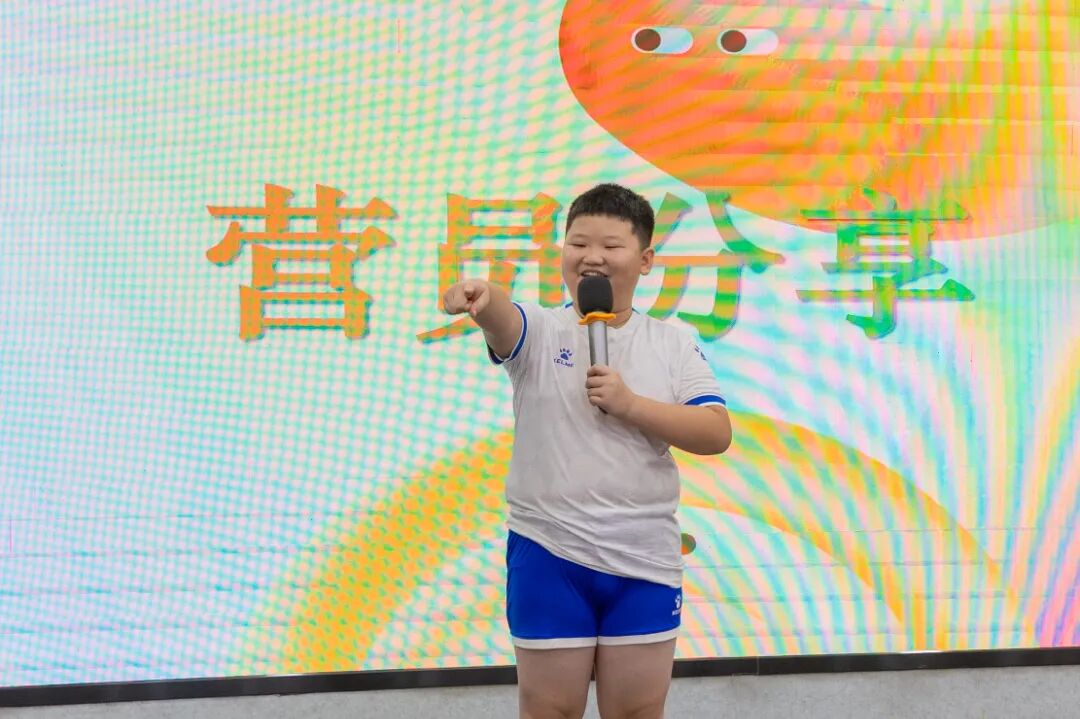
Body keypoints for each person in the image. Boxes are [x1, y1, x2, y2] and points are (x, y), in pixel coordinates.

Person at [443, 183, 732, 719]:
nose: (591, 257)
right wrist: (481, 295)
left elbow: (715, 432)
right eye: (577, 244)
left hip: (643, 557)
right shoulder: (541, 330)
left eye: (610, 246)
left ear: (645, 260)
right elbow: (503, 316)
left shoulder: (671, 343)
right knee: (549, 710)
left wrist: (631, 404)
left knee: (637, 711)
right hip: (548, 553)